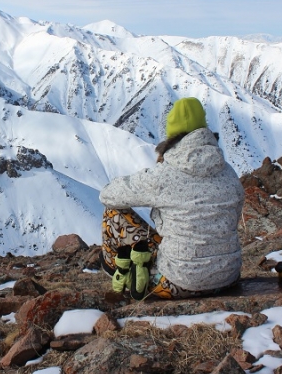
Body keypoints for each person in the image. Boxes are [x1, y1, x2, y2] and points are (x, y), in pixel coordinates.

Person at [99, 97, 245, 300]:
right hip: (228, 278)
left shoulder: (164, 175)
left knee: (112, 214)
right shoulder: (229, 173)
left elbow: (108, 195)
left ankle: (119, 274)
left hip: (178, 282)